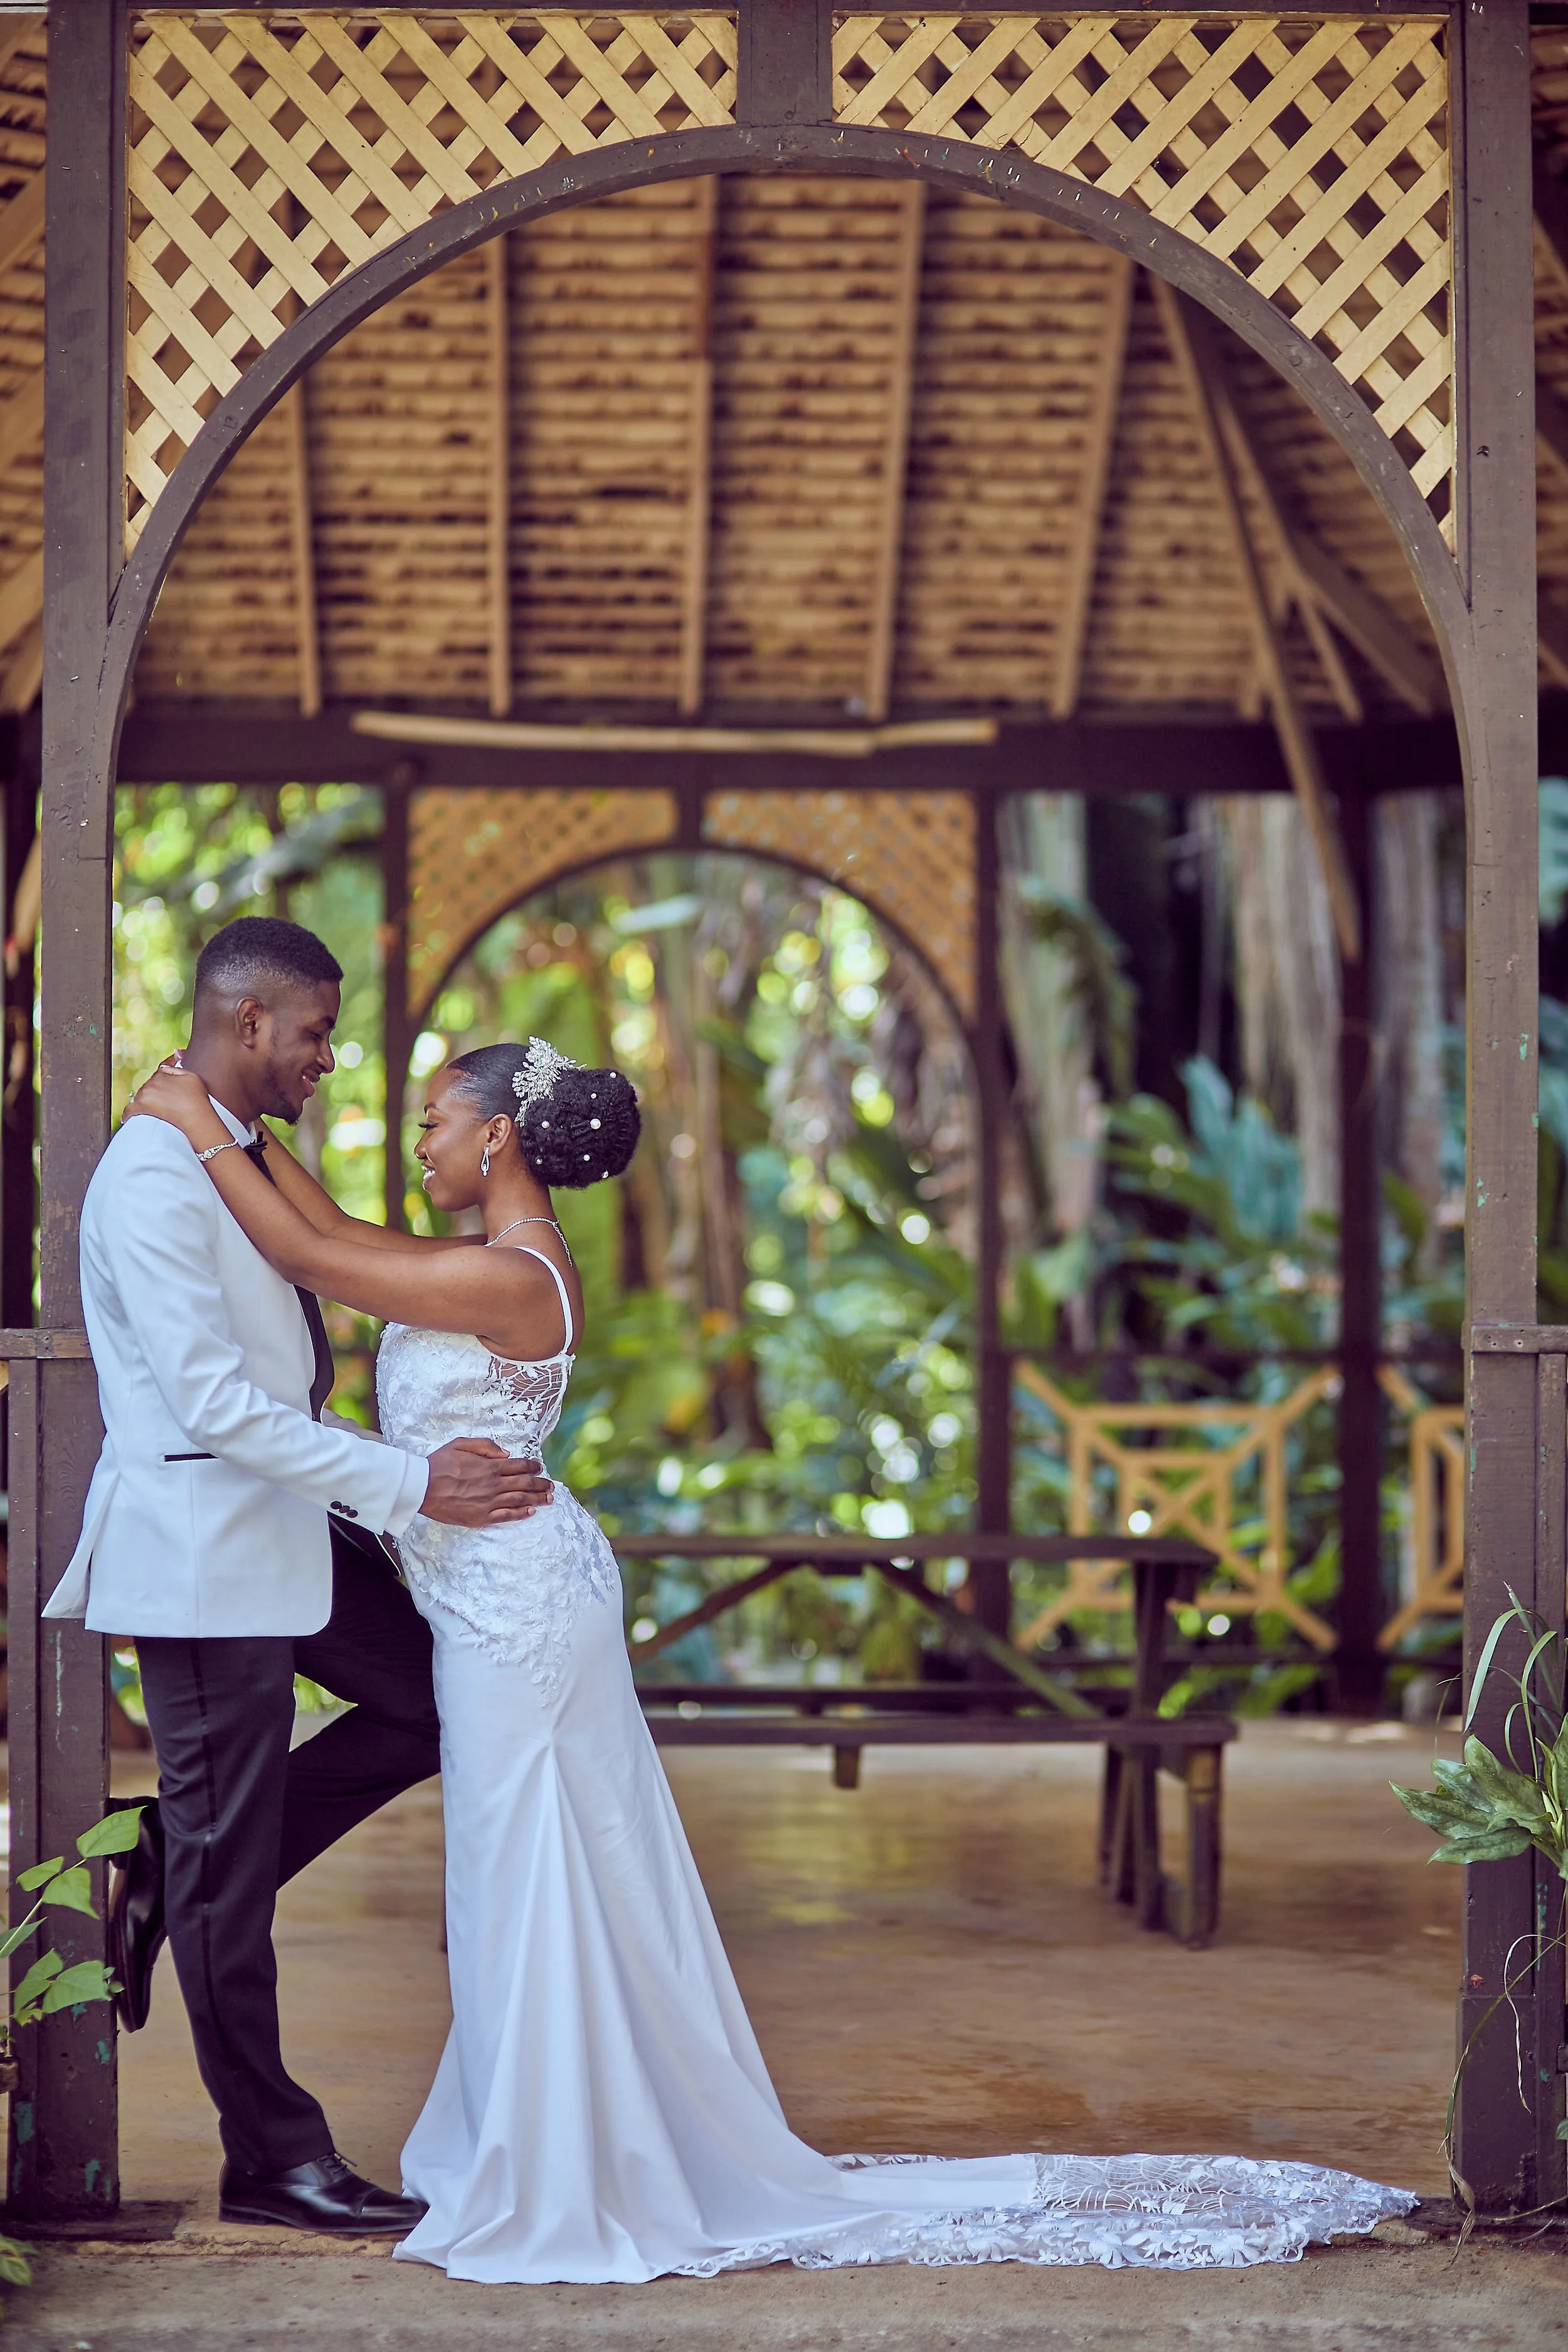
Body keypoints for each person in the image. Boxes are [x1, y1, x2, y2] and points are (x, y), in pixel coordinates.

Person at [125, 1031, 1416, 2281]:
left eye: (431, 1123)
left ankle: (563, 2162)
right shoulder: (479, 1253)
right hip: (489, 1599)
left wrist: (198, 1125)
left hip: (517, 1609)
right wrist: (239, 1123)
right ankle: (537, 2137)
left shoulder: (517, 1276)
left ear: (497, 1133)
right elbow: (336, 1238)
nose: (416, 1144)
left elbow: (309, 1251)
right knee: (521, 1876)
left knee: (522, 1874)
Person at [46, 918, 551, 2238]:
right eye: (318, 1031)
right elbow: (214, 1405)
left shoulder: (233, 1148)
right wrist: (413, 1483)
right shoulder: (156, 1176)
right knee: (227, 1882)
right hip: (209, 1545)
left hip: (294, 1522)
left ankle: (174, 1845)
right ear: (250, 1020)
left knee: (425, 1703)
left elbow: (316, 1257)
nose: (330, 1057)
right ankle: (272, 2156)